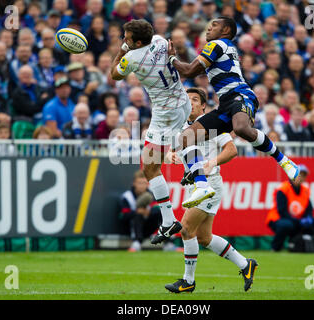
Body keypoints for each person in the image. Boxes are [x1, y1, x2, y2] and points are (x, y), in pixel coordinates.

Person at [168, 16, 299, 209]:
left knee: (241, 128)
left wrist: (171, 58)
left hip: (241, 95)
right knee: (186, 138)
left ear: (226, 31)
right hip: (226, 103)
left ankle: (284, 161)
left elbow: (189, 71)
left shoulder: (217, 44)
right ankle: (202, 185)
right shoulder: (220, 46)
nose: (208, 28)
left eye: (214, 25)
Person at [165, 87, 258, 293]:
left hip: (210, 184)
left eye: (195, 99)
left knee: (187, 229)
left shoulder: (213, 125)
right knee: (204, 238)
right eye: (187, 99)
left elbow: (232, 150)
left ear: (203, 105)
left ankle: (188, 281)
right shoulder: (181, 127)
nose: (190, 103)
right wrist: (169, 155)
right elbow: (169, 151)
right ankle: (245, 264)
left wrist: (210, 163)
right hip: (194, 186)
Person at [110, 19, 193, 244]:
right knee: (181, 145)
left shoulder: (132, 58)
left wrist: (121, 51)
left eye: (127, 38)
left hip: (165, 112)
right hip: (182, 100)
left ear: (137, 41)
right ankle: (193, 176)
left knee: (148, 167)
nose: (124, 41)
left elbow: (114, 75)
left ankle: (168, 219)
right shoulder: (159, 40)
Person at [266, 164, 314, 251]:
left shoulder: (305, 190)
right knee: (286, 225)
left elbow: (309, 208)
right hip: (278, 219)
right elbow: (282, 211)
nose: (301, 177)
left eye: (303, 175)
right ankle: (275, 247)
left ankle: (300, 243)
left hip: (297, 220)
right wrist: (298, 221)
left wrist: (308, 218)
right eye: (299, 174)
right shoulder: (284, 188)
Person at [119, 170, 162, 252]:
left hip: (148, 226)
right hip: (131, 228)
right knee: (137, 216)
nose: (142, 186)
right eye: (139, 183)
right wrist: (137, 212)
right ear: (134, 183)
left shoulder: (151, 195)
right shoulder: (127, 196)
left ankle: (168, 243)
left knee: (162, 215)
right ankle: (136, 243)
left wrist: (148, 212)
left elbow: (157, 209)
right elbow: (122, 215)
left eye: (144, 183)